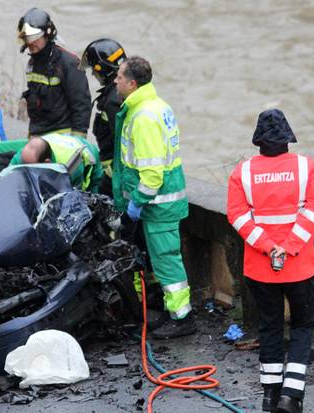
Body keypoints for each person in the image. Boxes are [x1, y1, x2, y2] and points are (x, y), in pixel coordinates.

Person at [227, 109, 314, 413]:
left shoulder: (241, 173)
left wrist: (269, 248)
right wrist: (289, 247)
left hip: (260, 268)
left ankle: (270, 397)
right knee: (302, 326)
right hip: (300, 265)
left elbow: (238, 216)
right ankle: (291, 397)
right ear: (287, 138)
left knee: (269, 327)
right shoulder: (306, 167)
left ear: (258, 141)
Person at [113, 56, 194, 339]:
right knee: (161, 261)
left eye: (119, 77)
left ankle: (182, 318)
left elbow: (152, 175)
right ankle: (171, 312)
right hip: (160, 205)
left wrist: (135, 203)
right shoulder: (154, 106)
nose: (115, 80)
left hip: (158, 206)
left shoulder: (143, 117)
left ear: (132, 83)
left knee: (167, 262)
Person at [17, 8, 91, 138]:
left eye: (34, 37)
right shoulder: (32, 63)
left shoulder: (69, 63)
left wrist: (78, 141)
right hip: (38, 135)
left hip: (62, 136)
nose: (30, 42)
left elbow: (81, 105)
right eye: (26, 37)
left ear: (48, 34)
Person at [80, 38, 127, 196]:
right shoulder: (117, 94)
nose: (93, 73)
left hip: (113, 175)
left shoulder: (113, 100)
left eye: (95, 68)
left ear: (104, 68)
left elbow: (122, 142)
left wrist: (109, 178)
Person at [9, 133, 102, 192]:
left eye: (30, 167)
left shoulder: (71, 166)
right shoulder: (23, 156)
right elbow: (7, 181)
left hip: (88, 156)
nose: (26, 169)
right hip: (62, 143)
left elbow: (73, 197)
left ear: (46, 163)